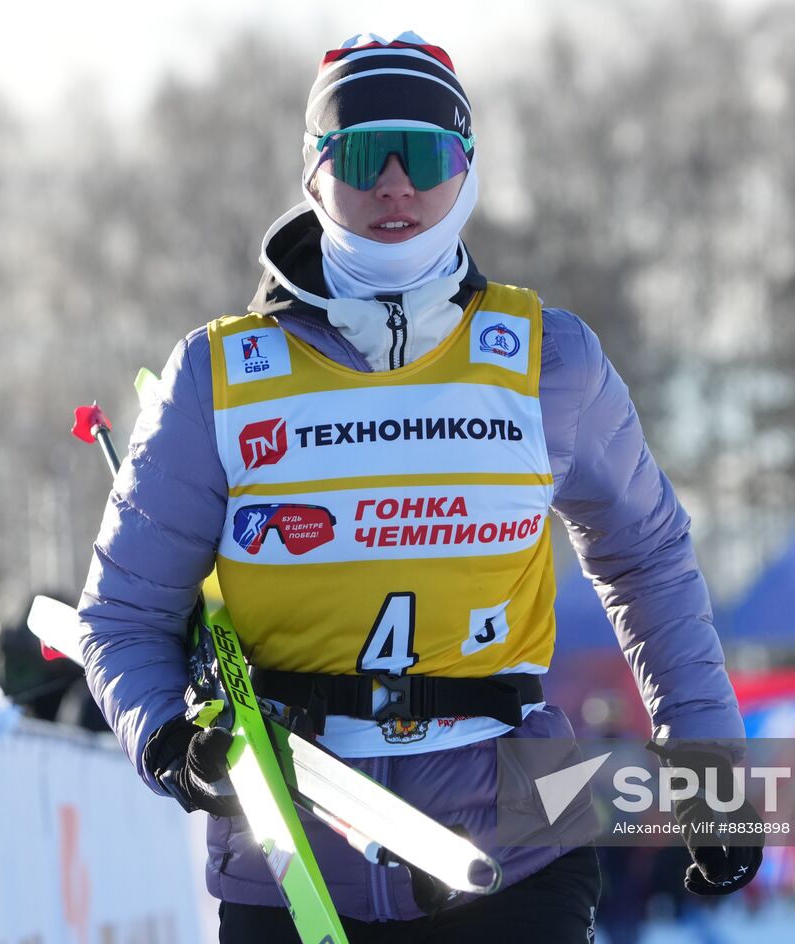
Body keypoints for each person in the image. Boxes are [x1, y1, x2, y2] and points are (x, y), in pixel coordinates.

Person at [78, 31, 759, 943]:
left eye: (425, 154)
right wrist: (170, 742)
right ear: (315, 171)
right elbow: (122, 613)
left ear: (466, 168)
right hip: (293, 858)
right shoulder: (218, 375)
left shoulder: (550, 360)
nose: (396, 185)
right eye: (363, 154)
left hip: (520, 848)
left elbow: (650, 559)